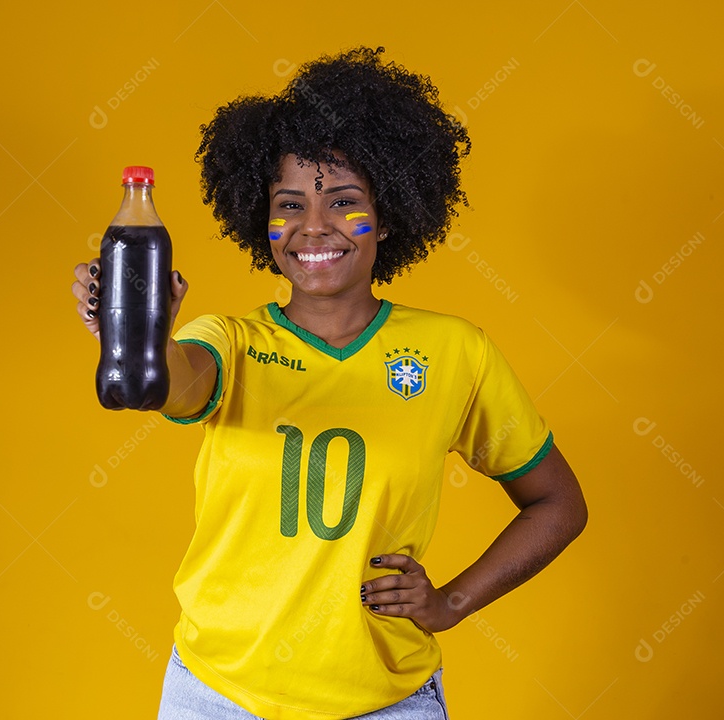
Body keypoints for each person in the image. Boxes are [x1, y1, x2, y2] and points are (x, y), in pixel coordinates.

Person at [71, 46, 587, 720]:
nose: (314, 227)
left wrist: (452, 602)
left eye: (345, 202)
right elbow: (177, 384)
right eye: (290, 204)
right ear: (263, 220)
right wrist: (140, 335)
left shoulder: (455, 352)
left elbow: (558, 503)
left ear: (391, 213)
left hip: (386, 700)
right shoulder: (232, 341)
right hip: (220, 696)